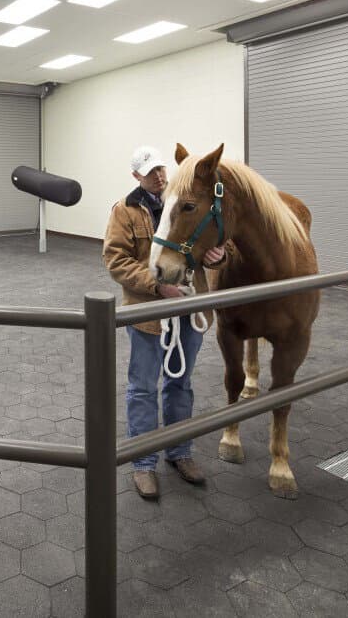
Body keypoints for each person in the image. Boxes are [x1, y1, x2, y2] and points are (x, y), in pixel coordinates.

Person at [103, 145, 226, 500]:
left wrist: (219, 256)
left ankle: (179, 452)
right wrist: (158, 285)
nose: (158, 176)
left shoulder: (184, 199)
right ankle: (143, 464)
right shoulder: (125, 212)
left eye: (160, 168)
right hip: (148, 314)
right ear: (136, 177)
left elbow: (211, 240)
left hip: (190, 309)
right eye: (149, 171)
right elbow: (116, 261)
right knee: (143, 387)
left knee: (180, 383)